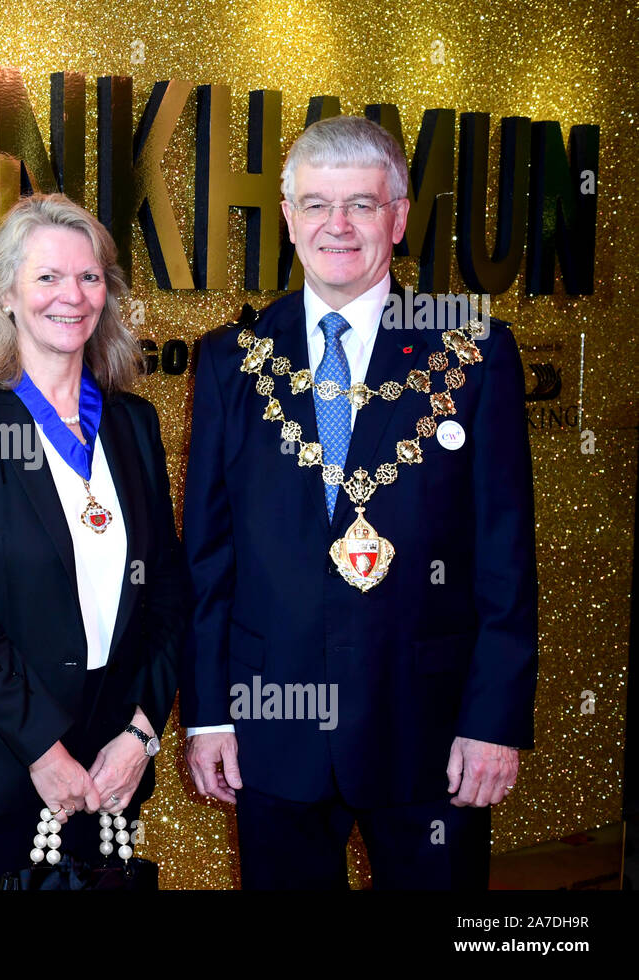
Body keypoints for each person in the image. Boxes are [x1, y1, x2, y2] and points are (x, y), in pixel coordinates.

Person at [181, 115, 538, 889]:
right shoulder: (230, 360)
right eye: (315, 204)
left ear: (399, 216)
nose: (335, 226)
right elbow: (208, 562)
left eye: (361, 205)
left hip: (430, 731)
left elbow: (506, 556)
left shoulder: (471, 352)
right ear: (288, 217)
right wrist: (208, 714)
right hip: (273, 729)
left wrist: (494, 722)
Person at [0, 193, 187, 890]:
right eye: (48, 278)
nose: (73, 296)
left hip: (111, 767)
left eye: (90, 277)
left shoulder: (133, 425)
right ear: (5, 293)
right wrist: (42, 748)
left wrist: (140, 735)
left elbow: (170, 598)